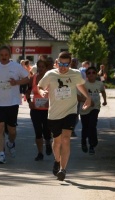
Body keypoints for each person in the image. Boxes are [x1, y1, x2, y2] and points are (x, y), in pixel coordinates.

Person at [37, 51, 92, 181]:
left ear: (70, 64)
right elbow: (40, 86)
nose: (63, 67)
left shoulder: (75, 74)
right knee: (57, 142)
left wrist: (88, 98)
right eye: (61, 64)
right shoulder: (50, 74)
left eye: (66, 65)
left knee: (66, 139)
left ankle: (63, 169)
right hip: (54, 114)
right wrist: (42, 92)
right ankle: (57, 160)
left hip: (70, 111)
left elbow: (80, 85)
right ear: (57, 63)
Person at [0, 45, 29, 164]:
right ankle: (1, 154)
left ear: (9, 55)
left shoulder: (16, 66)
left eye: (6, 55)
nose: (4, 57)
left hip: (12, 102)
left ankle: (10, 143)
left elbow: (27, 79)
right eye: (2, 55)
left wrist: (17, 82)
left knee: (12, 130)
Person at [28, 57, 52, 161]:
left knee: (47, 131)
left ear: (46, 68)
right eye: (39, 67)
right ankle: (40, 153)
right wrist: (29, 101)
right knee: (38, 131)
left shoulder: (51, 79)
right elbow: (28, 91)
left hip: (48, 109)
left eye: (43, 67)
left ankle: (48, 142)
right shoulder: (33, 78)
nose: (41, 69)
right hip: (35, 109)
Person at [79, 66, 108, 154]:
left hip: (95, 107)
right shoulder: (83, 84)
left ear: (96, 74)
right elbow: (77, 97)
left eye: (93, 73)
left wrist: (105, 101)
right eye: (89, 73)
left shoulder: (99, 84)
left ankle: (92, 145)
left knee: (92, 125)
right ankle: (83, 142)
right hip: (84, 108)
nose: (91, 74)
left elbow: (103, 91)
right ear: (86, 75)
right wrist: (87, 100)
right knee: (85, 127)